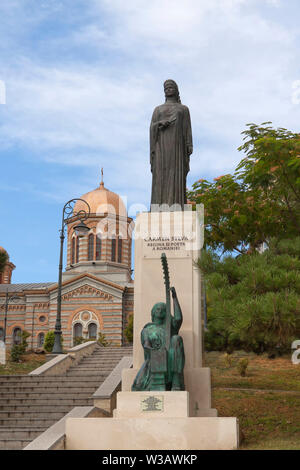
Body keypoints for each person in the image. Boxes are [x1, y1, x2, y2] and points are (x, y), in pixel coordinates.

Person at [150, 79, 193, 210]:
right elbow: (151, 127)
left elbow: (187, 129)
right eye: (166, 89)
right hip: (161, 148)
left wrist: (189, 144)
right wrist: (159, 124)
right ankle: (159, 207)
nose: (168, 90)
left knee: (175, 174)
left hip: (177, 149)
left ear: (176, 90)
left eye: (171, 88)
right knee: (160, 175)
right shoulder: (157, 110)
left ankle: (176, 206)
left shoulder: (183, 109)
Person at [132, 287, 185, 391]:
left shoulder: (169, 327)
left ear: (166, 313)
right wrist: (153, 349)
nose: (160, 311)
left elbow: (178, 319)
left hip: (170, 356)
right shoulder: (147, 329)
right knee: (138, 385)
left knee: (176, 339)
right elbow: (146, 344)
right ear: (153, 312)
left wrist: (174, 298)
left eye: (163, 309)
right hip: (155, 357)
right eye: (158, 309)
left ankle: (175, 381)